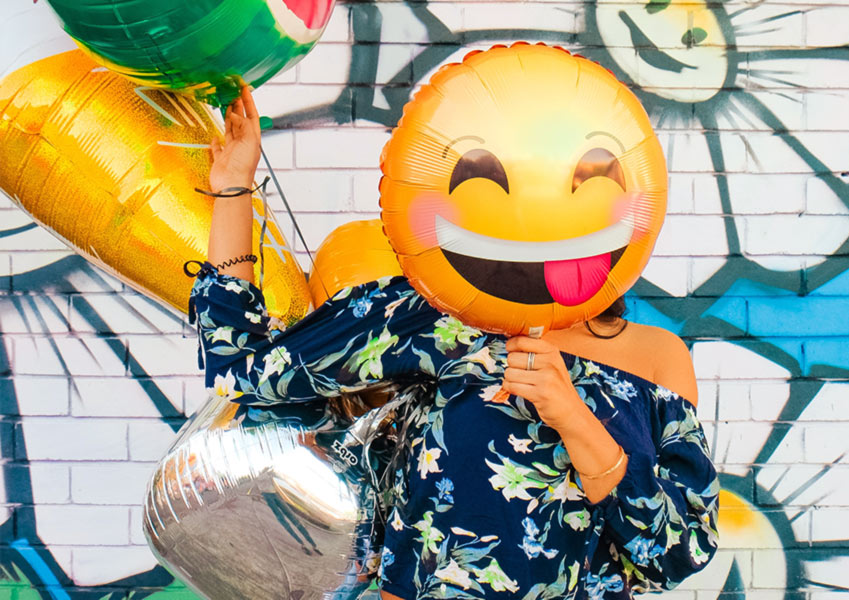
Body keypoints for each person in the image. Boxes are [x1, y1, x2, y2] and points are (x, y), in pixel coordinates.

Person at [190, 86, 719, 599]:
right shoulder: (436, 314)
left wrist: (575, 419)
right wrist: (234, 187)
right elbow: (245, 370)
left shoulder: (656, 359)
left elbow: (678, 555)